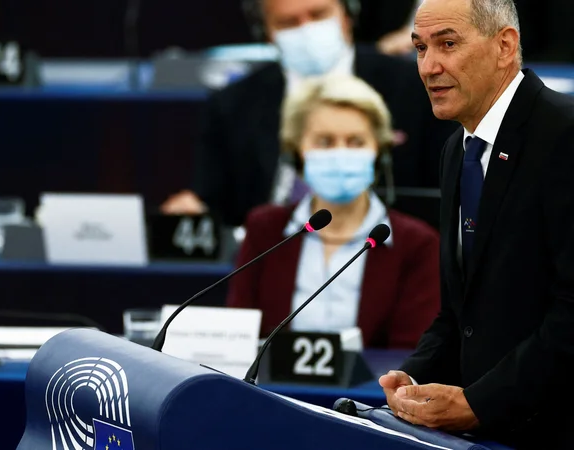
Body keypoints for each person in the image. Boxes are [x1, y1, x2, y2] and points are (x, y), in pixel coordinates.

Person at [378, 0, 574, 447]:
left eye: (447, 44)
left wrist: (479, 403)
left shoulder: (564, 135)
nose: (429, 67)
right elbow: (460, 311)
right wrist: (413, 376)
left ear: (505, 45)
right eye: (419, 48)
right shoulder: (457, 151)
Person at [160, 0, 457, 228]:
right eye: (289, 23)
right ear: (266, 32)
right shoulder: (231, 105)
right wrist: (192, 210)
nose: (306, 30)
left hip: (389, 253)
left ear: (346, 14)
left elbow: (446, 195)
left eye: (318, 15)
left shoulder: (414, 88)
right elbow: (211, 204)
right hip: (271, 258)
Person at [226, 75, 440, 349]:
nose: (341, 153)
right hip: (269, 391)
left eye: (355, 142)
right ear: (297, 150)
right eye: (325, 142)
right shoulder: (265, 229)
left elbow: (411, 354)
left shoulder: (418, 243)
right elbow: (239, 336)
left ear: (379, 150)